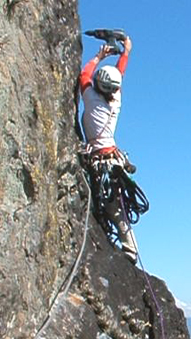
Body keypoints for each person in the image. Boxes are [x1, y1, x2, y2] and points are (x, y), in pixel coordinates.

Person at [79, 37, 139, 264]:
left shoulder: (91, 99)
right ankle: (129, 247)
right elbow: (119, 76)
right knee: (116, 207)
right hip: (112, 160)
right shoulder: (116, 101)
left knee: (106, 205)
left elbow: (85, 76)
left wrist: (99, 56)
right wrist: (126, 52)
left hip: (99, 160)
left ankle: (129, 250)